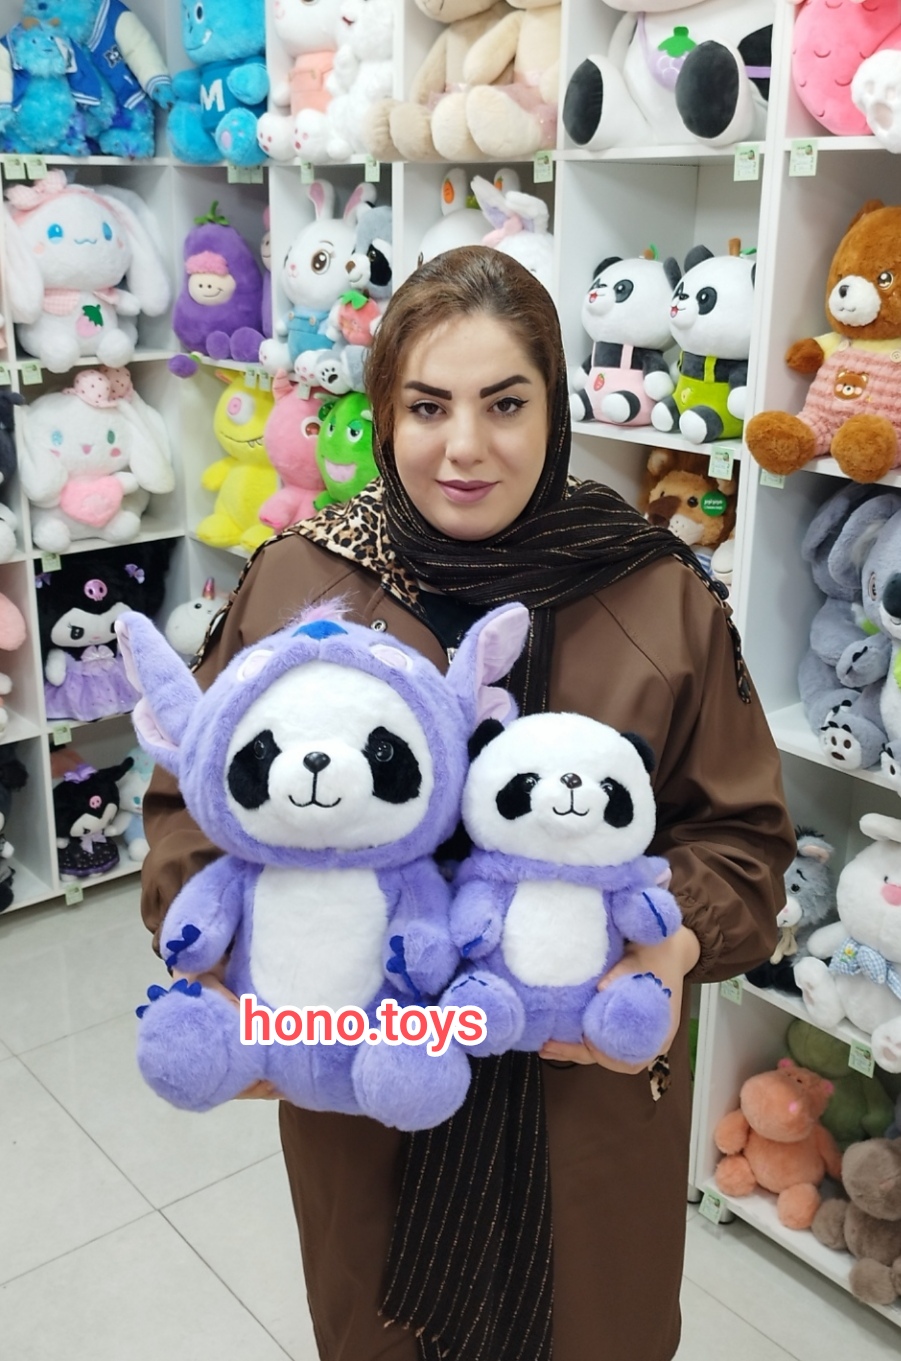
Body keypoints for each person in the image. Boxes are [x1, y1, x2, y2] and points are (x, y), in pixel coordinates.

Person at [141, 247, 794, 1361]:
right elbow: (190, 810)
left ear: (555, 405)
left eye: (505, 403)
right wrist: (227, 952)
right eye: (427, 405)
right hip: (363, 1089)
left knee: (595, 1329)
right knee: (381, 1330)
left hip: (582, 1088)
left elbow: (741, 840)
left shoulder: (657, 592)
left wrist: (666, 942)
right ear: (383, 410)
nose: (464, 447)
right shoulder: (300, 581)